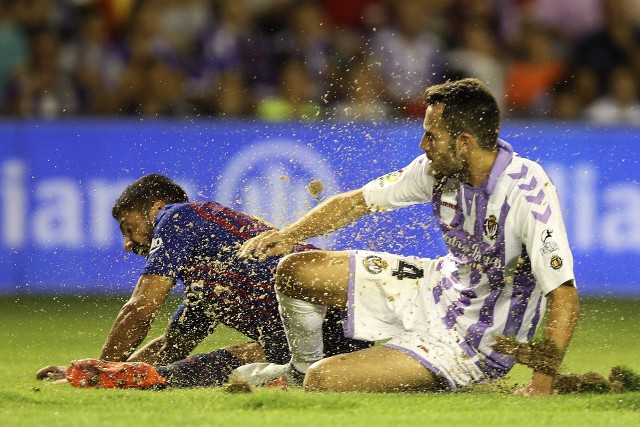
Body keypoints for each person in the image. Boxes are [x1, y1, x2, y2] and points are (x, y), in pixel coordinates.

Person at [236, 78, 580, 396]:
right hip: (435, 286)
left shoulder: (527, 192)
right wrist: (289, 234)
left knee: (324, 380)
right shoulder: (436, 168)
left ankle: (322, 374)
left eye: (432, 135)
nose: (423, 144)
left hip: (475, 340)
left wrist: (542, 382)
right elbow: (356, 203)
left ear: (464, 142)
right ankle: (297, 370)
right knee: (296, 269)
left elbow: (564, 298)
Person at [36, 174, 370, 388]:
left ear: (156, 209)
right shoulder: (207, 277)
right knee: (199, 364)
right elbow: (171, 346)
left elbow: (140, 307)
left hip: (325, 319)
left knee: (208, 370)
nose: (127, 243)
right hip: (342, 330)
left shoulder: (178, 216)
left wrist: (100, 371)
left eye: (128, 227)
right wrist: (96, 371)